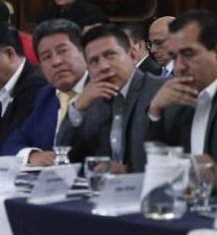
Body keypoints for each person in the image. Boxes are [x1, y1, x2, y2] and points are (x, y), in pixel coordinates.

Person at [56, 24, 163, 173]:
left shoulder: (159, 90)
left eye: (110, 55)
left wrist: (128, 171)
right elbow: (64, 157)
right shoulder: (92, 100)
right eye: (94, 61)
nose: (103, 66)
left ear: (132, 55)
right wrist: (77, 108)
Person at [0, 19, 89, 165]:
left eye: (63, 51)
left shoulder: (100, 90)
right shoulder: (46, 96)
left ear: (83, 50)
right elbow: (10, 145)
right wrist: (32, 155)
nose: (56, 62)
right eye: (46, 57)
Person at [146, 9, 217, 156]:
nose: (179, 67)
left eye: (188, 54)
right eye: (174, 57)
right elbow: (157, 166)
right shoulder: (176, 105)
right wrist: (155, 111)